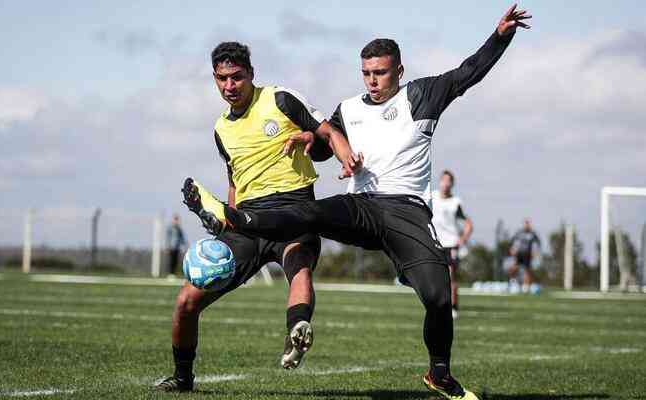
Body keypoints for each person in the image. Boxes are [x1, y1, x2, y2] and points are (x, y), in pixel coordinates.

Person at [182, 5, 530, 399]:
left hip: (406, 212)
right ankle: (236, 218)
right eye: (366, 73)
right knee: (310, 214)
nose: (372, 80)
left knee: (437, 296)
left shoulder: (423, 94)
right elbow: (323, 151)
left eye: (380, 72)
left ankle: (439, 373)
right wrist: (310, 142)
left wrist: (501, 36)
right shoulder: (348, 109)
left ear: (399, 71)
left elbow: (469, 72)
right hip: (362, 206)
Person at [156, 42, 357, 392]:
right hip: (247, 223)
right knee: (186, 301)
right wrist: (227, 223)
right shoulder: (221, 129)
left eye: (236, 77)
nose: (229, 86)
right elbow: (236, 180)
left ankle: (297, 327)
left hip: (294, 210)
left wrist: (345, 159)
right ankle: (182, 376)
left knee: (299, 265)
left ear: (251, 74)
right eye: (221, 79)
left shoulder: (281, 99)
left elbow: (328, 132)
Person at [432, 170, 473, 319]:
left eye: (449, 181)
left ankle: (454, 307)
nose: (445, 183)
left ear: (452, 184)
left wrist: (462, 239)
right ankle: (438, 305)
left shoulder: (455, 202)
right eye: (443, 180)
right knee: (435, 277)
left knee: (450, 276)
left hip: (451, 243)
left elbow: (468, 223)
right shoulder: (432, 197)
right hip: (435, 242)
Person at [508, 218, 541, 292]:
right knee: (513, 268)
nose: (527, 225)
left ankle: (526, 288)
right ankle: (512, 282)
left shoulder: (532, 234)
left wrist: (535, 252)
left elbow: (538, 243)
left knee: (527, 271)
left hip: (527, 254)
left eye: (528, 224)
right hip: (519, 254)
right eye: (526, 224)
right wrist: (512, 249)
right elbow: (512, 241)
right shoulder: (519, 233)